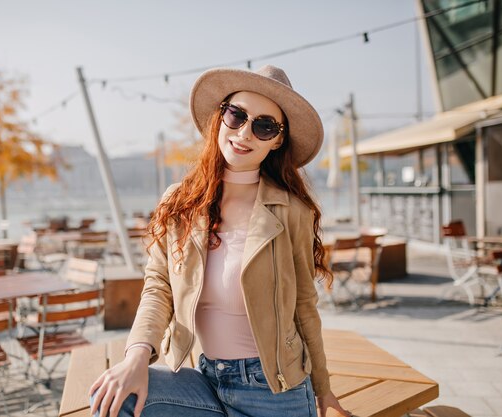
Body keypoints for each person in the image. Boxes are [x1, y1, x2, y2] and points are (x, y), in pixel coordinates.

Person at [89, 65, 351, 417]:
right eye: (236, 115)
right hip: (206, 379)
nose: (244, 133)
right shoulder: (179, 202)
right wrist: (137, 355)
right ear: (220, 117)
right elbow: (159, 286)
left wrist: (324, 390)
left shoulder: (292, 211)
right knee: (113, 399)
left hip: (274, 392)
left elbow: (305, 304)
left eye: (264, 126)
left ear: (277, 140)